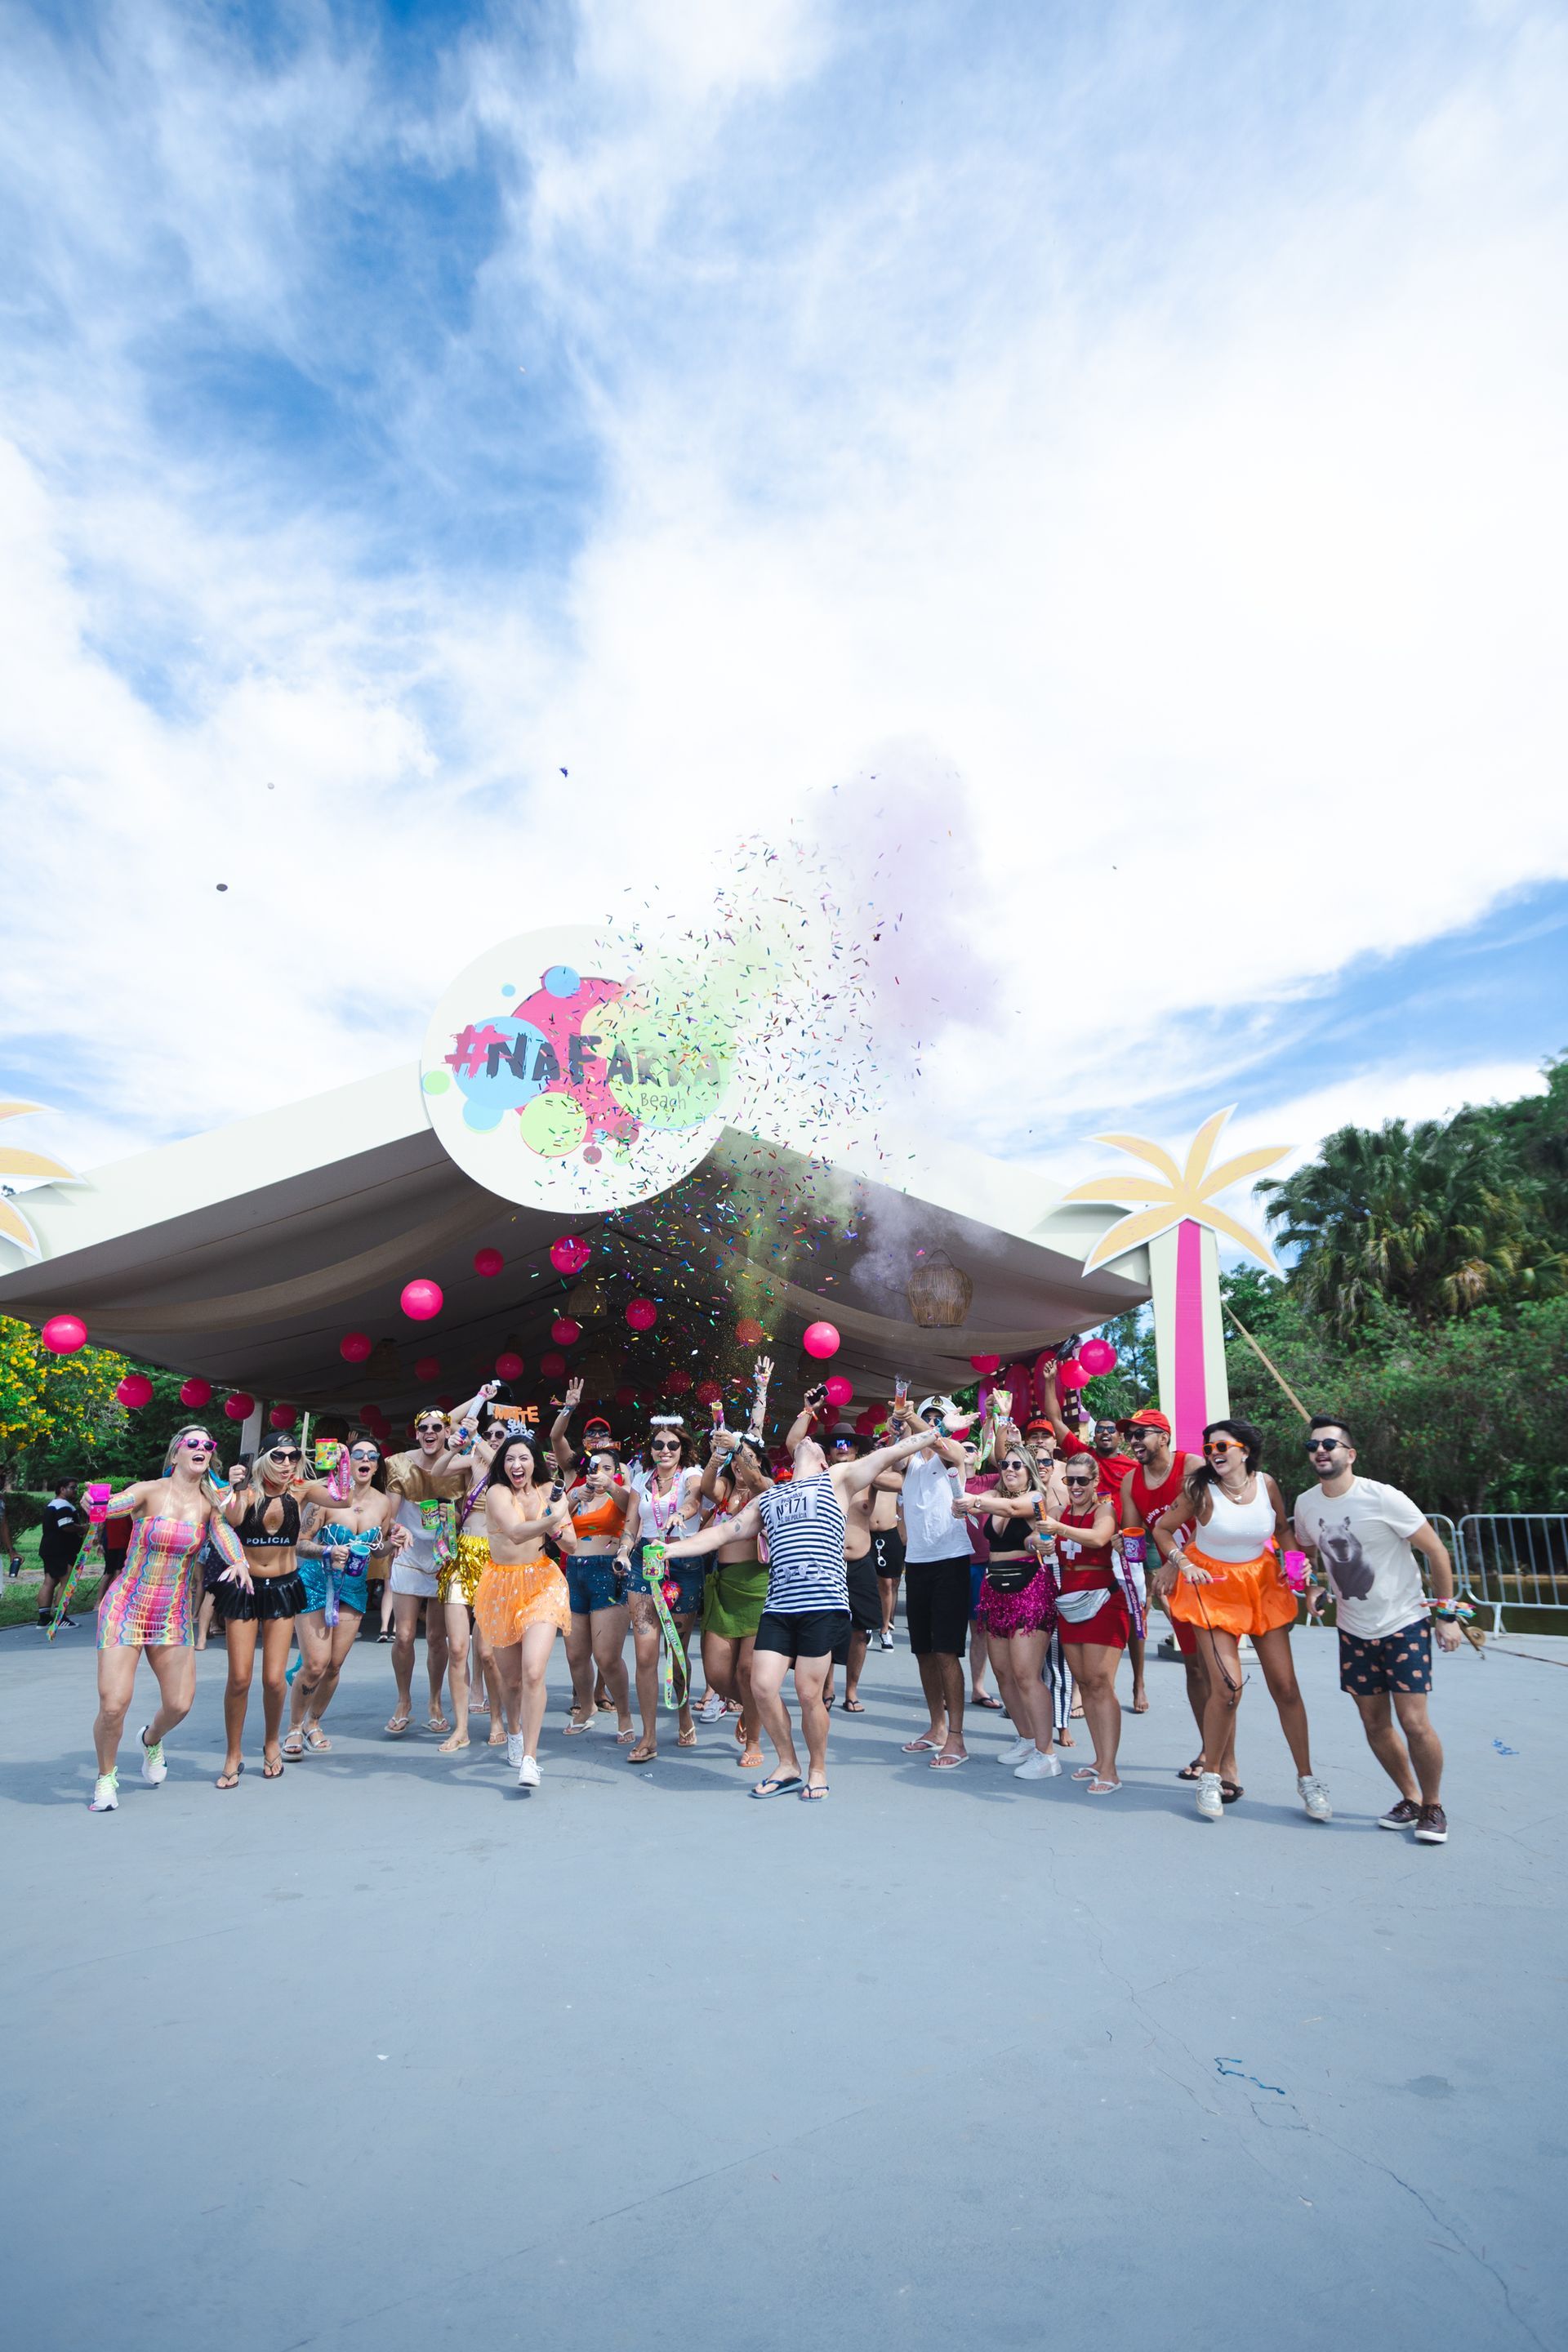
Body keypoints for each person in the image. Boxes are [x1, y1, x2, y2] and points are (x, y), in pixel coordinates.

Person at [662, 1407, 939, 1799]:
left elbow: (890, 1454)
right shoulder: (772, 1496)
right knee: (762, 1687)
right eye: (805, 1440)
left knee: (809, 1693)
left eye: (814, 1443)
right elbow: (724, 1533)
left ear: (823, 1460)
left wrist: (937, 1431)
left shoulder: (837, 1479)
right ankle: (788, 1764)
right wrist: (670, 1549)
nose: (809, 1440)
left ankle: (817, 1770)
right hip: (778, 1607)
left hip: (822, 1605)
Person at [1152, 1419, 1331, 1824]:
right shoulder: (1199, 1489)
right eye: (1209, 1448)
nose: (1214, 1453)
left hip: (1262, 1586)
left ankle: (1308, 1779)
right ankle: (1212, 1776)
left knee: (1286, 1687)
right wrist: (1181, 1563)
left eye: (1222, 1446)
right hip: (1211, 1587)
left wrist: (1301, 1574)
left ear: (1244, 1451)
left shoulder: (1266, 1484)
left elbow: (1282, 1531)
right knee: (1228, 1688)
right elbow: (1162, 1529)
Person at [1293, 1416, 1461, 1845]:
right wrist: (1312, 1585)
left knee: (1414, 1722)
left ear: (1350, 1454)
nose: (1320, 1451)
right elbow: (1304, 1550)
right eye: (1312, 1446)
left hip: (1403, 1622)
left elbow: (1437, 1551)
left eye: (1329, 1444)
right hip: (1353, 1629)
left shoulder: (1383, 1497)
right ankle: (1410, 1798)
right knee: (1374, 1723)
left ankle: (1434, 1805)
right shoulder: (1307, 1505)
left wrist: (1446, 1615)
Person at [87, 1426, 252, 1811]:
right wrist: (94, 1501)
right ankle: (106, 1777)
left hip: (171, 1612)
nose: (201, 1448)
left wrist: (240, 1562)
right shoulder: (148, 1491)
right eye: (192, 1443)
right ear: (176, 1452)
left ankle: (150, 1739)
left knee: (179, 1704)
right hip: (126, 1605)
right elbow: (108, 1507)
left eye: (208, 1445)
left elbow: (225, 1534)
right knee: (113, 1704)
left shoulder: (210, 1503)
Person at [284, 1436, 410, 1754]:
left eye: (372, 1456)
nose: (365, 1460)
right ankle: (294, 1727)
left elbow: (377, 1550)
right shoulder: (325, 1497)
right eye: (359, 1455)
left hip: (353, 1588)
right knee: (315, 1664)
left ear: (377, 1465)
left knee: (334, 1665)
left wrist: (394, 1542)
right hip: (315, 1583)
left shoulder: (383, 1503)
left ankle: (313, 1722)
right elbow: (300, 1542)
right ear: (347, 1461)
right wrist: (326, 1551)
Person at [212, 1435, 313, 1786]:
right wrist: (236, 1487)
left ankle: (272, 1742)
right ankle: (233, 1752)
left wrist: (342, 1462)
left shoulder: (301, 1491)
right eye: (279, 1456)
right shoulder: (248, 1492)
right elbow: (233, 1517)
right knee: (240, 1678)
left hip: (283, 1587)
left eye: (293, 1456)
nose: (287, 1463)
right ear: (265, 1458)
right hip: (246, 1586)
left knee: (273, 1678)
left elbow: (343, 1497)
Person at [953, 1447, 1060, 1778]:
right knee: (1002, 1672)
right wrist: (961, 1504)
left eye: (1017, 1464)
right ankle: (1026, 1738)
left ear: (1029, 1471)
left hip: (1029, 1588)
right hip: (994, 1589)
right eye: (1005, 1464)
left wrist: (975, 1502)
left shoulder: (1035, 1499)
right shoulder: (992, 1495)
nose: (1010, 1469)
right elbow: (969, 1498)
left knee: (1026, 1673)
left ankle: (1047, 1754)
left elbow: (1012, 1509)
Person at [474, 1433, 573, 1788]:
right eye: (510, 1459)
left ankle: (530, 1759)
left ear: (535, 1462)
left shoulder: (550, 1493)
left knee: (533, 1671)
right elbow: (516, 1533)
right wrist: (554, 1517)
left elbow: (572, 1545)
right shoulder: (497, 1493)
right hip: (501, 1586)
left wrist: (558, 1523)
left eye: (523, 1458)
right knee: (512, 1680)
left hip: (542, 1583)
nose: (516, 1465)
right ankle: (514, 1732)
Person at [1117, 1409, 1210, 1771]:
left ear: (1164, 1437)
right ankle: (1208, 1750)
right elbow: (1133, 1537)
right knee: (1194, 1669)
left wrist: (1174, 1562)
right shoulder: (1131, 1481)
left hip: (1211, 1576)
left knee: (1217, 1668)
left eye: (1141, 1434)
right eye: (1131, 1435)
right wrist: (1123, 1548)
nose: (1134, 1441)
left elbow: (1210, 1522)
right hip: (1177, 1585)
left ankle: (1221, 1756)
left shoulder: (1192, 1466)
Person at [1032, 1454, 1128, 1794]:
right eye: (1069, 1480)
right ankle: (1100, 1760)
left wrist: (1058, 1530)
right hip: (1071, 1604)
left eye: (1082, 1481)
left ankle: (1111, 1770)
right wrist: (1038, 1542)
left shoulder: (1104, 1510)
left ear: (1095, 1482)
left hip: (1104, 1601)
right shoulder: (1058, 1512)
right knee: (1085, 1684)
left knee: (1101, 1682)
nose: (1075, 1486)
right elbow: (1039, 1540)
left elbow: (1099, 1538)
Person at [892, 1399, 975, 1769]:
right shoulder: (910, 1458)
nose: (931, 1423)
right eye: (927, 1417)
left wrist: (909, 1417)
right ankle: (937, 1728)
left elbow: (946, 1447)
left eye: (938, 1418)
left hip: (951, 1558)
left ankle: (957, 1737)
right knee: (924, 1651)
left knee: (945, 1651)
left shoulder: (952, 1453)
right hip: (918, 1562)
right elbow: (890, 1463)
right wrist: (897, 1430)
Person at [618, 1424, 709, 1762]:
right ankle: (649, 1736)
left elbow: (694, 1501)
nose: (665, 1450)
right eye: (658, 1444)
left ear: (682, 1448)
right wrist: (623, 1550)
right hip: (646, 1561)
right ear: (651, 1448)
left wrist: (679, 1516)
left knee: (676, 1651)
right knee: (645, 1655)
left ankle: (684, 1715)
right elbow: (631, 1523)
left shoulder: (692, 1474)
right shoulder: (642, 1479)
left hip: (683, 1561)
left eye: (673, 1444)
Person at [383, 1411, 470, 1737]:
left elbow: (467, 1514)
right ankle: (403, 1701)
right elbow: (388, 1517)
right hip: (408, 1553)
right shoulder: (398, 1463)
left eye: (436, 1427)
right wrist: (397, 1530)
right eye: (423, 1428)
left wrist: (452, 1517)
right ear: (416, 1433)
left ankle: (434, 1702)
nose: (429, 1432)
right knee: (404, 1635)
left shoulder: (460, 1465)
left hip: (444, 1555)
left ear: (447, 1432)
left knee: (436, 1637)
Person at [555, 1446, 635, 1744]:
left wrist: (611, 1485)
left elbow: (631, 1506)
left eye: (607, 1468)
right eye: (595, 1468)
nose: (599, 1474)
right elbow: (553, 1518)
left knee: (606, 1657)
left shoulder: (621, 1493)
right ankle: (586, 1706)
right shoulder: (579, 1494)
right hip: (575, 1572)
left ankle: (625, 1715)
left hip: (608, 1572)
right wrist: (575, 1496)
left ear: (616, 1472)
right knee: (575, 1654)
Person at [834, 1432, 889, 1713]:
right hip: (828, 1564)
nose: (842, 1447)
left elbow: (902, 1479)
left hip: (860, 1563)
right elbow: (794, 1445)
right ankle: (825, 1688)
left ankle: (851, 1691)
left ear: (856, 1448)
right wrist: (807, 1413)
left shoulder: (871, 1479)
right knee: (825, 1628)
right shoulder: (821, 1478)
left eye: (847, 1443)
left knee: (860, 1631)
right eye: (836, 1443)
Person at [38, 1479, 87, 1629]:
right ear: (62, 1489)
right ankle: (61, 1618)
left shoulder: (53, 1504)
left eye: (76, 1488)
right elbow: (66, 1526)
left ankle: (44, 1619)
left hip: (49, 1548)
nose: (75, 1490)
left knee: (49, 1582)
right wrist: (83, 1528)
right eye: (72, 1488)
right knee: (67, 1582)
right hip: (62, 1550)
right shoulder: (63, 1506)